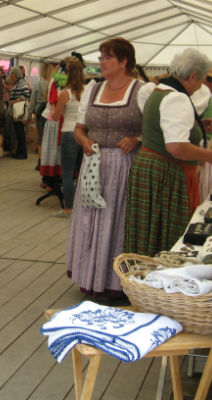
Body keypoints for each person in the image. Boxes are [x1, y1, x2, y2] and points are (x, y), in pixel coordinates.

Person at [67, 39, 151, 297]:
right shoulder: (92, 89)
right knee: (90, 219)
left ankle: (115, 282)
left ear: (124, 61)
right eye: (101, 57)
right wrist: (85, 142)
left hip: (124, 167)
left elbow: (155, 131)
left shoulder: (143, 91)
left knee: (117, 221)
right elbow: (79, 129)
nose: (101, 61)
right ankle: (88, 276)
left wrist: (137, 139)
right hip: (94, 165)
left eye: (107, 57)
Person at [123, 48, 212, 257]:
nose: (201, 86)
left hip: (152, 170)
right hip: (165, 175)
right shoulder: (177, 99)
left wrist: (198, 125)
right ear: (192, 76)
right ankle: (159, 279)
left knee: (149, 231)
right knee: (166, 233)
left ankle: (144, 278)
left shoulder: (159, 91)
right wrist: (209, 155)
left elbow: (167, 129)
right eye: (201, 81)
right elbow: (176, 147)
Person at [49, 57, 85, 218]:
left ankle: (69, 209)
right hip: (83, 134)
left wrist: (53, 111)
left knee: (68, 174)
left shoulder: (65, 93)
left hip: (69, 133)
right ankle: (83, 206)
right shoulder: (88, 92)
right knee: (82, 172)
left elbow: (56, 116)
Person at [28, 63, 54, 171]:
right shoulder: (53, 84)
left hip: (39, 113)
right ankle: (49, 162)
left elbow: (32, 101)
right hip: (51, 114)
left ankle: (40, 161)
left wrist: (29, 115)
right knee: (50, 139)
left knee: (41, 138)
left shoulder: (38, 84)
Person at [5, 66, 31, 160]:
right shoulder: (17, 83)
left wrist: (16, 101)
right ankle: (19, 152)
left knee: (20, 132)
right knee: (18, 132)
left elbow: (26, 94)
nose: (10, 75)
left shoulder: (21, 82)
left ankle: (22, 153)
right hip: (16, 111)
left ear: (15, 74)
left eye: (11, 73)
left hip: (19, 111)